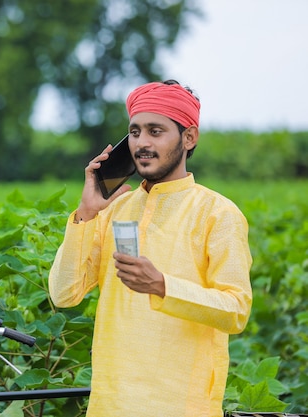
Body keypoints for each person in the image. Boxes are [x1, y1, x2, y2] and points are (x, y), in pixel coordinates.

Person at [48, 80, 253, 417]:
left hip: (181, 406)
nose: (141, 143)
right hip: (109, 403)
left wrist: (162, 285)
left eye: (155, 131)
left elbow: (235, 309)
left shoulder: (218, 213)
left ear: (189, 138)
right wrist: (86, 212)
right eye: (135, 132)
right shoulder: (115, 208)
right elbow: (63, 293)